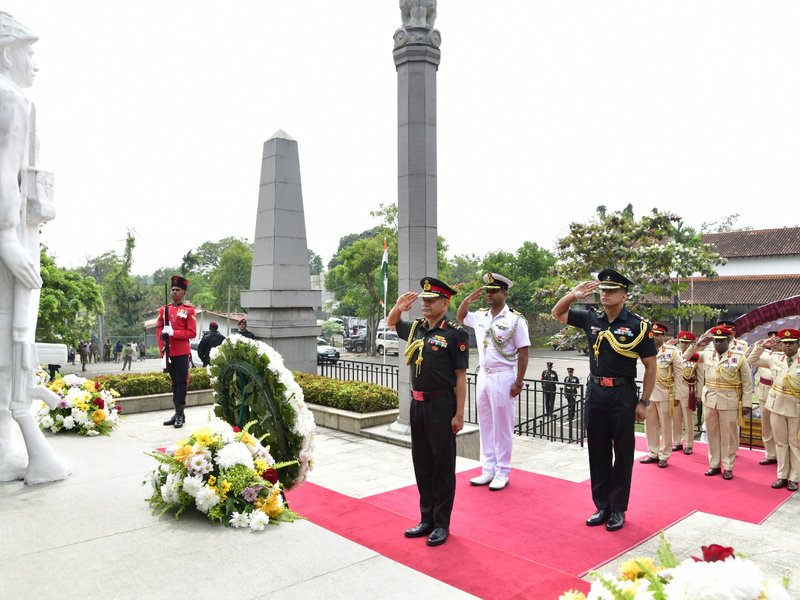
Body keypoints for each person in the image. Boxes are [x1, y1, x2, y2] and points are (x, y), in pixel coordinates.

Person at [551, 268, 656, 532]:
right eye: (603, 290)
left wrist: (644, 402)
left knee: (622, 452)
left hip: (622, 393)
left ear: (624, 295)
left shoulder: (638, 326)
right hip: (596, 392)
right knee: (597, 450)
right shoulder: (591, 318)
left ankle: (618, 508)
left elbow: (650, 366)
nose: (605, 295)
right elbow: (558, 313)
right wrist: (572, 295)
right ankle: (602, 505)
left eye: (611, 291)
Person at [388, 276, 468, 547]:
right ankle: (426, 519)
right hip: (418, 405)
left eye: (432, 300)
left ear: (445, 303)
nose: (426, 304)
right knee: (422, 463)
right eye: (424, 300)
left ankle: (441, 523)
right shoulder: (417, 329)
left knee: (442, 467)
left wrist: (459, 414)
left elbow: (460, 377)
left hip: (441, 405)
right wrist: (398, 307)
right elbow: (392, 323)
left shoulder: (454, 334)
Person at [456, 272, 529, 491]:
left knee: (502, 426)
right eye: (487, 291)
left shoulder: (515, 320)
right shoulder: (480, 316)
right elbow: (461, 317)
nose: (489, 294)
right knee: (486, 423)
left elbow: (523, 353)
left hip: (503, 375)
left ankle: (502, 471)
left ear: (504, 293)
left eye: (493, 291)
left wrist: (519, 382)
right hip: (484, 375)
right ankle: (488, 468)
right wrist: (467, 301)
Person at [683, 325, 753, 480]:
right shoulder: (707, 355)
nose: (718, 344)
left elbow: (747, 383)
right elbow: (686, 357)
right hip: (711, 400)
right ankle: (714, 464)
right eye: (716, 341)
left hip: (729, 400)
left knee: (728, 435)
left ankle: (728, 466)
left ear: (728, 340)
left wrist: (747, 403)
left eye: (722, 341)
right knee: (712, 433)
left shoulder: (739, 357)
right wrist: (698, 344)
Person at [747, 328, 800, 491]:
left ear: (798, 344)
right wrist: (763, 345)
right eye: (785, 343)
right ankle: (782, 476)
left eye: (791, 343)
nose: (788, 346)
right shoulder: (774, 359)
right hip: (776, 406)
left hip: (796, 407)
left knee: (795, 443)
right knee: (780, 442)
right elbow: (752, 359)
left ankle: (794, 478)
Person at [157, 275, 197, 429]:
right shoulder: (164, 309)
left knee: (182, 383)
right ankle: (178, 413)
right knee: (174, 383)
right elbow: (159, 328)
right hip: (169, 352)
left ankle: (179, 414)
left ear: (184, 292)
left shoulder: (188, 310)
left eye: (177, 290)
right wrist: (162, 344)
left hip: (181, 352)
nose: (174, 292)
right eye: (173, 289)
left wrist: (174, 333)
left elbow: (192, 333)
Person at [640, 323, 680, 468]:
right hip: (649, 394)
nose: (655, 338)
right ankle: (653, 452)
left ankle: (664, 455)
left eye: (658, 335)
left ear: (664, 336)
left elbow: (678, 375)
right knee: (650, 425)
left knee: (666, 426)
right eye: (653, 335)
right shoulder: (645, 349)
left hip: (665, 394)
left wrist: (678, 395)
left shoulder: (672, 352)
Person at [747, 330, 779, 466]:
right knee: (766, 425)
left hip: (780, 393)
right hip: (764, 392)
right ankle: (770, 454)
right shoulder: (763, 353)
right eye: (771, 339)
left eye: (777, 340)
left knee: (780, 426)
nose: (774, 342)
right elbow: (748, 358)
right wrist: (760, 345)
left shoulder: (786, 355)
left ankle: (783, 454)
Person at [672, 331, 702, 455]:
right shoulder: (675, 354)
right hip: (675, 390)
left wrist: (698, 395)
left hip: (688, 391)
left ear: (691, 343)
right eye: (682, 342)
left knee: (688, 419)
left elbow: (700, 377)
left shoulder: (696, 357)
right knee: (675, 418)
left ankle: (689, 443)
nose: (684, 345)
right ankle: (677, 442)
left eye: (687, 343)